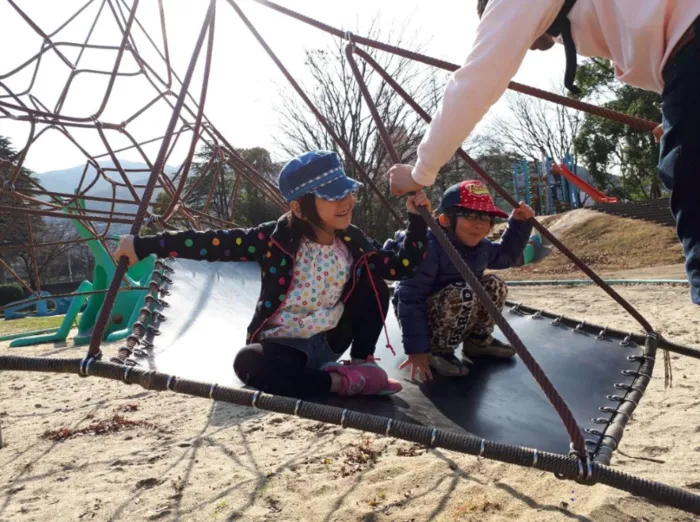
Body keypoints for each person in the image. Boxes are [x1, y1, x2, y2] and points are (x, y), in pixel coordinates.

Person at [387, 0, 700, 306]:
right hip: (681, 64)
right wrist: (677, 116)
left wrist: (420, 170)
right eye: (471, 217)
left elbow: (478, 77)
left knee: (691, 190)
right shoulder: (438, 247)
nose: (528, 46)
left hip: (689, 50)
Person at [115, 150, 430, 398]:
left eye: (346, 193)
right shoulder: (272, 241)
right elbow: (209, 243)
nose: (347, 202)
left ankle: (363, 363)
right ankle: (341, 382)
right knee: (248, 363)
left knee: (372, 280)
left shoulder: (353, 241)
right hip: (285, 348)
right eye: (333, 197)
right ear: (298, 208)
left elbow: (402, 267)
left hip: (333, 340)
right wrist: (144, 245)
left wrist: (417, 221)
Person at [389, 180, 534, 380]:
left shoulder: (481, 247)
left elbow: (506, 256)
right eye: (469, 216)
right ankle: (437, 351)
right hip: (425, 318)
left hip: (453, 309)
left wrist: (519, 223)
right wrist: (416, 349)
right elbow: (410, 296)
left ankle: (478, 341)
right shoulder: (430, 248)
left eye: (485, 217)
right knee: (463, 291)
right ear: (445, 220)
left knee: (494, 284)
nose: (479, 224)